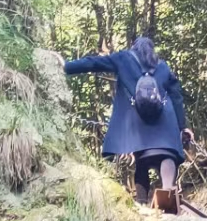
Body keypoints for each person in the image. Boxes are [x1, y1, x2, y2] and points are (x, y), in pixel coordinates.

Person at [64, 35, 193, 205]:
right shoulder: (162, 66)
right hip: (165, 122)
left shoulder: (123, 58)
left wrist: (66, 67)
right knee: (167, 155)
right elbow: (176, 97)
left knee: (142, 160)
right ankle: (167, 197)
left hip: (137, 122)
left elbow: (93, 63)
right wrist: (183, 126)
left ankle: (141, 203)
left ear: (134, 48)